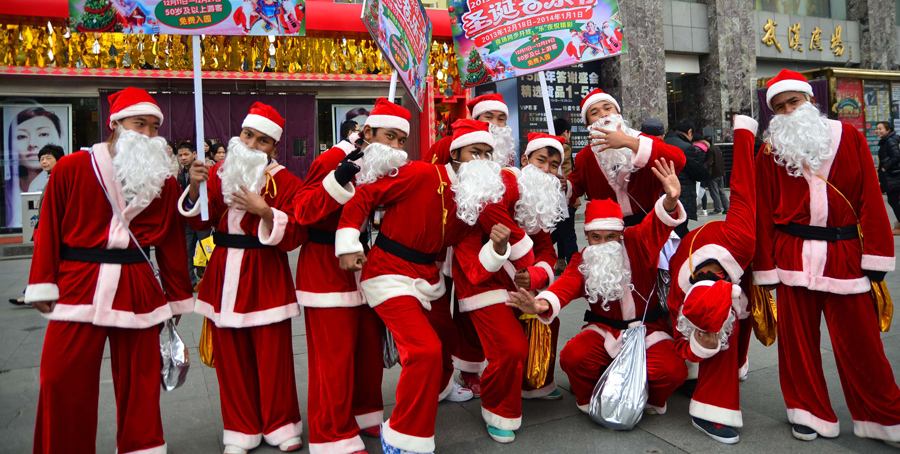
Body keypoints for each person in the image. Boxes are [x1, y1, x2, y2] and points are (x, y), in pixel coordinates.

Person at [335, 99, 510, 454]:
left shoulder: (469, 201)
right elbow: (364, 196)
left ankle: (434, 392)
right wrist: (349, 243)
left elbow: (472, 261)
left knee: (443, 341)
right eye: (474, 152)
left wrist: (498, 248)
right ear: (457, 154)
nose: (482, 161)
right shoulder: (420, 173)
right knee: (425, 350)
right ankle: (402, 435)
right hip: (388, 272)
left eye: (487, 155)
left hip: (428, 278)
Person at [25, 87, 194, 454]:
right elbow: (49, 229)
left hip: (137, 288)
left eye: (153, 126)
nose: (148, 133)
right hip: (77, 283)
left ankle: (141, 447)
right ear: (115, 124)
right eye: (140, 124)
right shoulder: (70, 168)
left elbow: (170, 243)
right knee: (60, 378)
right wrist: (42, 283)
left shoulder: (161, 181)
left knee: (141, 383)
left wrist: (178, 297)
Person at [755, 69, 899, 446]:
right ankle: (807, 411)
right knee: (797, 345)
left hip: (844, 253)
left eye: (793, 102)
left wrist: (877, 257)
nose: (787, 110)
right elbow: (764, 210)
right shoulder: (770, 150)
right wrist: (764, 267)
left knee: (862, 343)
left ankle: (884, 416)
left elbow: (871, 198)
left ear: (810, 101)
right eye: (779, 107)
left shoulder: (848, 137)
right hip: (791, 257)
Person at [507, 159, 689, 417]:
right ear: (588, 236)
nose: (603, 243)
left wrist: (670, 200)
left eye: (610, 236)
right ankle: (590, 396)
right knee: (573, 357)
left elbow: (657, 224)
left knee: (672, 370)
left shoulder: (638, 241)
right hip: (605, 330)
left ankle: (651, 398)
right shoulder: (584, 258)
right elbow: (567, 285)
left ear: (621, 234)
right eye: (596, 237)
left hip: (647, 330)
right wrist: (541, 304)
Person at [181, 102, 305, 454]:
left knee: (273, 357)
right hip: (223, 274)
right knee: (231, 359)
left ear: (274, 147)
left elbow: (296, 234)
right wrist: (194, 189)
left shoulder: (286, 181)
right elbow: (199, 222)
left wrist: (265, 212)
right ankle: (240, 430)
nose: (251, 145)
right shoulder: (220, 172)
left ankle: (281, 425)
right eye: (248, 135)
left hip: (265, 272)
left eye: (262, 141)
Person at [449, 130, 566, 444]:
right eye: (542, 160)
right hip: (483, 281)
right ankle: (498, 409)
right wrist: (519, 256)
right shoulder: (503, 182)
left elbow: (546, 248)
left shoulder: (537, 199)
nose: (547, 170)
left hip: (518, 283)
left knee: (546, 323)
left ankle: (533, 384)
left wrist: (537, 274)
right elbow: (490, 213)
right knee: (510, 347)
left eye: (555, 165)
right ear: (526, 160)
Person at [290, 103, 392, 454]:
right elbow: (301, 210)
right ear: (367, 134)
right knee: (333, 359)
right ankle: (331, 433)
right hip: (325, 268)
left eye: (401, 138)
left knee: (366, 350)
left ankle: (365, 415)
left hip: (366, 267)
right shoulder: (333, 158)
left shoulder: (386, 165)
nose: (395, 144)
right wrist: (339, 178)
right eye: (389, 136)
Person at [666, 115, 758, 444]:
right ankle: (706, 398)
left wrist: (744, 134)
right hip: (690, 260)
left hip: (735, 261)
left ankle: (729, 374)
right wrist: (696, 345)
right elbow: (681, 336)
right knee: (691, 345)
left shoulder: (741, 239)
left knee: (743, 319)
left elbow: (745, 187)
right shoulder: (678, 295)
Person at [568, 88, 686, 227]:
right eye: (594, 113)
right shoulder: (585, 156)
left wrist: (628, 142)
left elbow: (678, 159)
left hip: (647, 225)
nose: (603, 115)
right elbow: (572, 191)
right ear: (588, 125)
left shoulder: (642, 140)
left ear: (618, 113)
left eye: (607, 108)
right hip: (607, 230)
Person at [9, 144, 65, 307]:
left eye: (48, 158)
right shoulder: (51, 177)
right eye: (41, 159)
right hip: (45, 228)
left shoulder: (58, 178)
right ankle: (34, 293)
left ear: (58, 159)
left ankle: (34, 295)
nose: (44, 162)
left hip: (51, 229)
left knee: (45, 262)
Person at [5, 106, 65, 228]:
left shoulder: (65, 184)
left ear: (60, 138)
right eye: (21, 136)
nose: (32, 144)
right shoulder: (5, 191)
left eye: (43, 134)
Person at [664, 119, 710, 237]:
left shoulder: (662, 142)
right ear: (690, 132)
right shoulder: (686, 147)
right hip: (681, 196)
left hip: (661, 197)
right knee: (680, 232)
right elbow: (698, 172)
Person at [175, 141, 207, 287]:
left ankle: (213, 282)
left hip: (202, 218)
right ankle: (190, 284)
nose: (183, 158)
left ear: (194, 154)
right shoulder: (181, 173)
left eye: (186, 154)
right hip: (186, 218)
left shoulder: (204, 169)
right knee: (186, 252)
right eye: (180, 155)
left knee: (209, 251)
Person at [551, 117, 578, 273]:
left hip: (558, 196)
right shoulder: (563, 147)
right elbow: (566, 172)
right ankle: (574, 267)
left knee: (563, 231)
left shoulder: (552, 146)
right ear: (566, 132)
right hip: (565, 197)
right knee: (568, 234)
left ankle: (561, 263)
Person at [875, 121, 900, 234]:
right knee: (894, 201)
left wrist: (885, 167)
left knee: (893, 201)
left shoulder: (889, 140)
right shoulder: (887, 140)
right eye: (877, 129)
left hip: (893, 176)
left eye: (881, 129)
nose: (878, 131)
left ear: (888, 130)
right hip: (892, 177)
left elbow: (896, 156)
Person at [704, 135, 728, 215]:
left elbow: (711, 161)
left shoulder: (710, 150)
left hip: (714, 173)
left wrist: (704, 166)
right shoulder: (717, 148)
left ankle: (717, 209)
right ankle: (727, 208)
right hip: (721, 173)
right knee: (721, 191)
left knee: (714, 192)